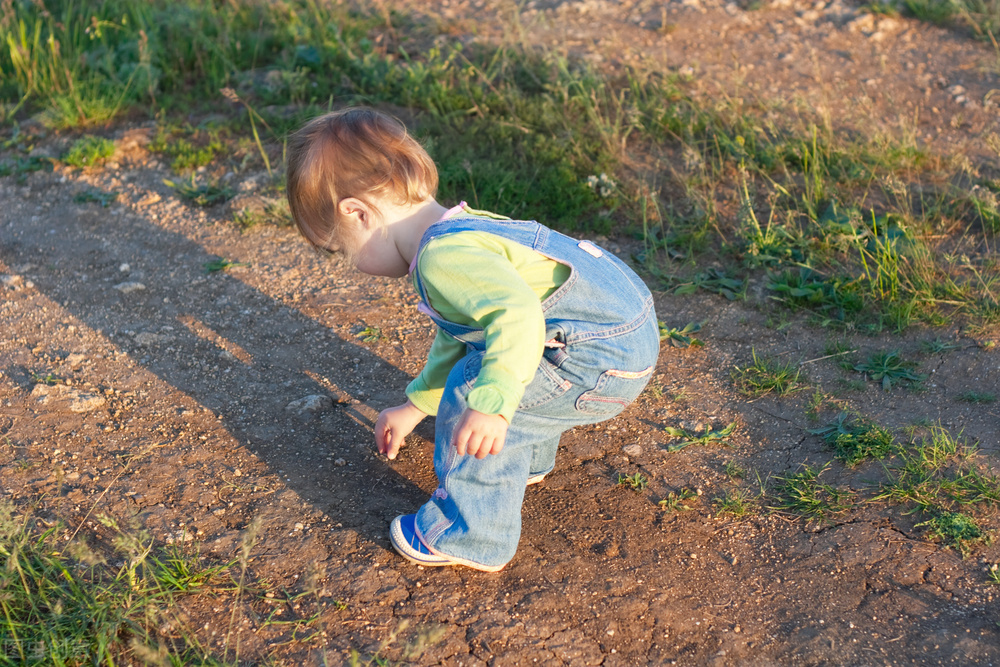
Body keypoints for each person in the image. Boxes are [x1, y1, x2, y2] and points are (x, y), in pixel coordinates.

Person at [286, 107, 660, 572]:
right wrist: (415, 406)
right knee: (489, 360)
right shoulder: (461, 225)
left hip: (597, 361)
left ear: (358, 213)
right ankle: (520, 459)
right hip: (621, 338)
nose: (351, 263)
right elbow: (464, 335)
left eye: (343, 251)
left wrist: (491, 405)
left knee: (474, 390)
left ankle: (471, 535)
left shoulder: (441, 257)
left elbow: (518, 318)